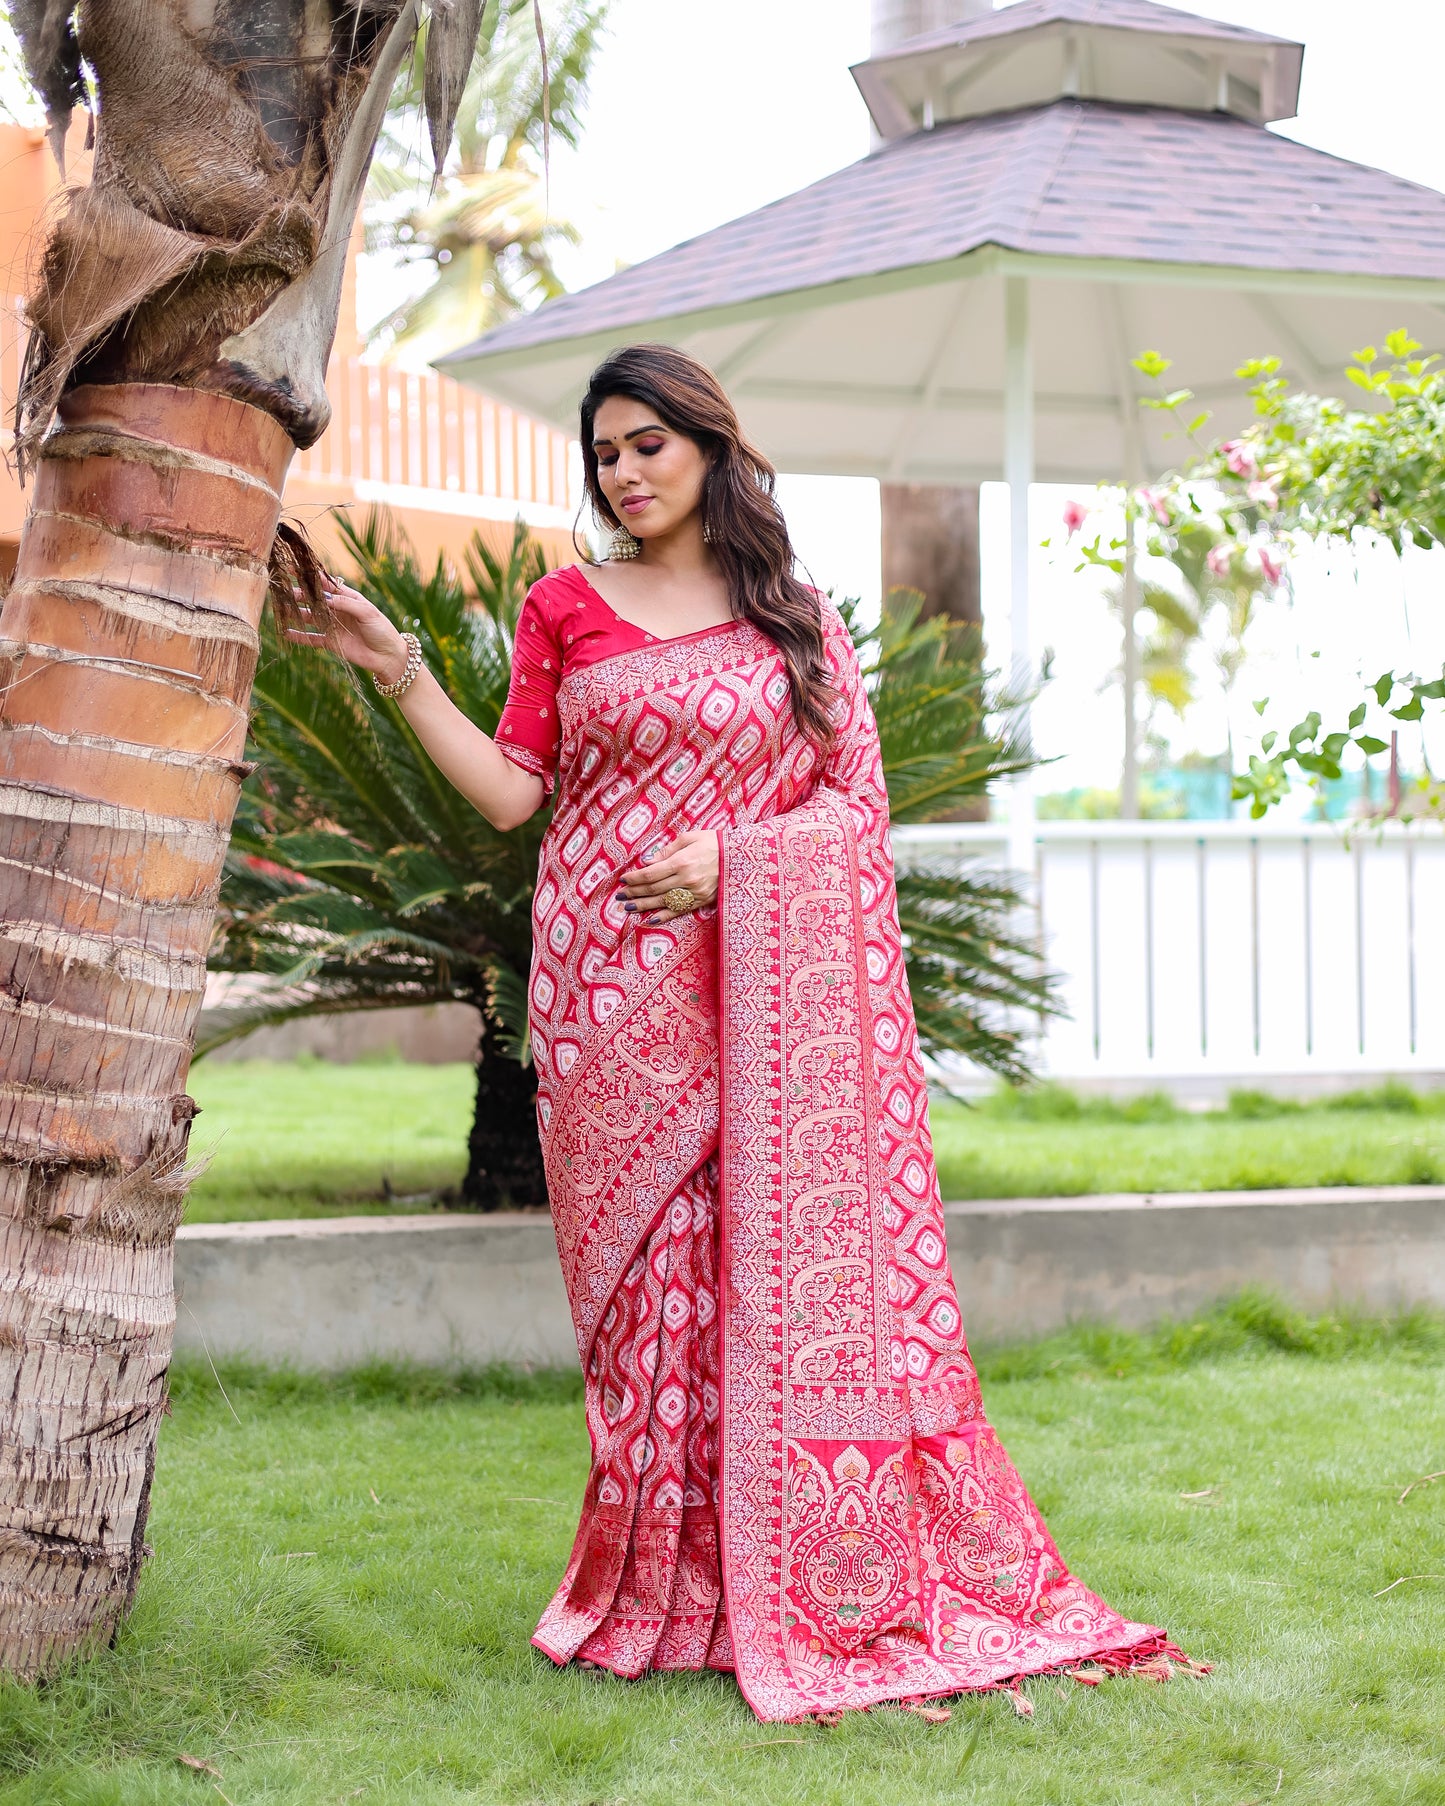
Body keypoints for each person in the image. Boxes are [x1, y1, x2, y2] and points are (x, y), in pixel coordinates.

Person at [292, 343, 1196, 1724]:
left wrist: (735, 862)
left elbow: (854, 810)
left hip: (763, 987)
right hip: (606, 993)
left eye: (646, 443)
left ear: (710, 445)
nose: (624, 472)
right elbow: (507, 797)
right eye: (604, 452)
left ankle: (783, 1577)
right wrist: (398, 666)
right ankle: (661, 1595)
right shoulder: (562, 609)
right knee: (648, 1306)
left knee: (761, 1285)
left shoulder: (792, 617)